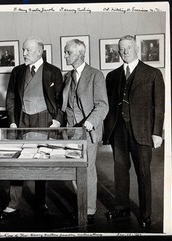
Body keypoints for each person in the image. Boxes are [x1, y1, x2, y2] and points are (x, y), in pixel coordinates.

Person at [103, 35, 165, 228]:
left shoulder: (153, 73)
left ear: (136, 49)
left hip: (143, 131)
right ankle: (121, 207)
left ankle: (146, 214)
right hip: (119, 131)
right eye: (122, 48)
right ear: (118, 51)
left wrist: (157, 133)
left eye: (129, 47)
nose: (125, 51)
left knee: (144, 172)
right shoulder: (112, 76)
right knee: (120, 171)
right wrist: (109, 132)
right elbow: (109, 107)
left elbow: (159, 106)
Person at [3, 36, 64, 219]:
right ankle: (13, 203)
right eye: (23, 50)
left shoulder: (53, 71)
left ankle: (40, 202)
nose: (24, 53)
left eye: (28, 50)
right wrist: (12, 121)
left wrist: (57, 120)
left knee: (41, 160)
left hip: (44, 120)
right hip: (22, 120)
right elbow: (11, 98)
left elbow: (61, 99)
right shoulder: (17, 71)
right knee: (17, 160)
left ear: (39, 51)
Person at [61, 39, 109, 225]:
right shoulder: (67, 76)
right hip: (70, 130)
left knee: (87, 169)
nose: (65, 55)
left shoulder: (96, 75)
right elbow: (65, 104)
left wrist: (91, 122)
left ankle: (88, 209)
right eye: (65, 52)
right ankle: (82, 202)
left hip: (87, 130)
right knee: (74, 169)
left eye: (68, 53)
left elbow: (102, 105)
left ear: (80, 54)